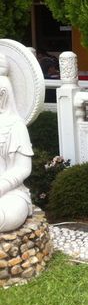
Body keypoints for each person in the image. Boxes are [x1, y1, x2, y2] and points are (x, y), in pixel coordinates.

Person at [0, 53, 34, 232]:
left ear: (3, 93)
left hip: (10, 193)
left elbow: (23, 168)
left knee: (7, 215)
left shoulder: (15, 126)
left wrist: (2, 185)